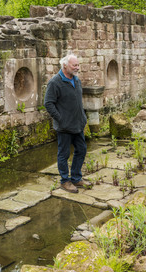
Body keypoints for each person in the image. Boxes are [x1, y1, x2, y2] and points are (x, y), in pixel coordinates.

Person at [44, 53, 92, 193]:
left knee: (81, 149)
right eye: (74, 65)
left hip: (78, 124)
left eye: (78, 65)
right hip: (64, 127)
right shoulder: (55, 82)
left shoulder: (76, 80)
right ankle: (65, 181)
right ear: (65, 66)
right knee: (63, 154)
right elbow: (48, 103)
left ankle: (76, 178)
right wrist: (61, 119)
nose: (77, 67)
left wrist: (82, 117)